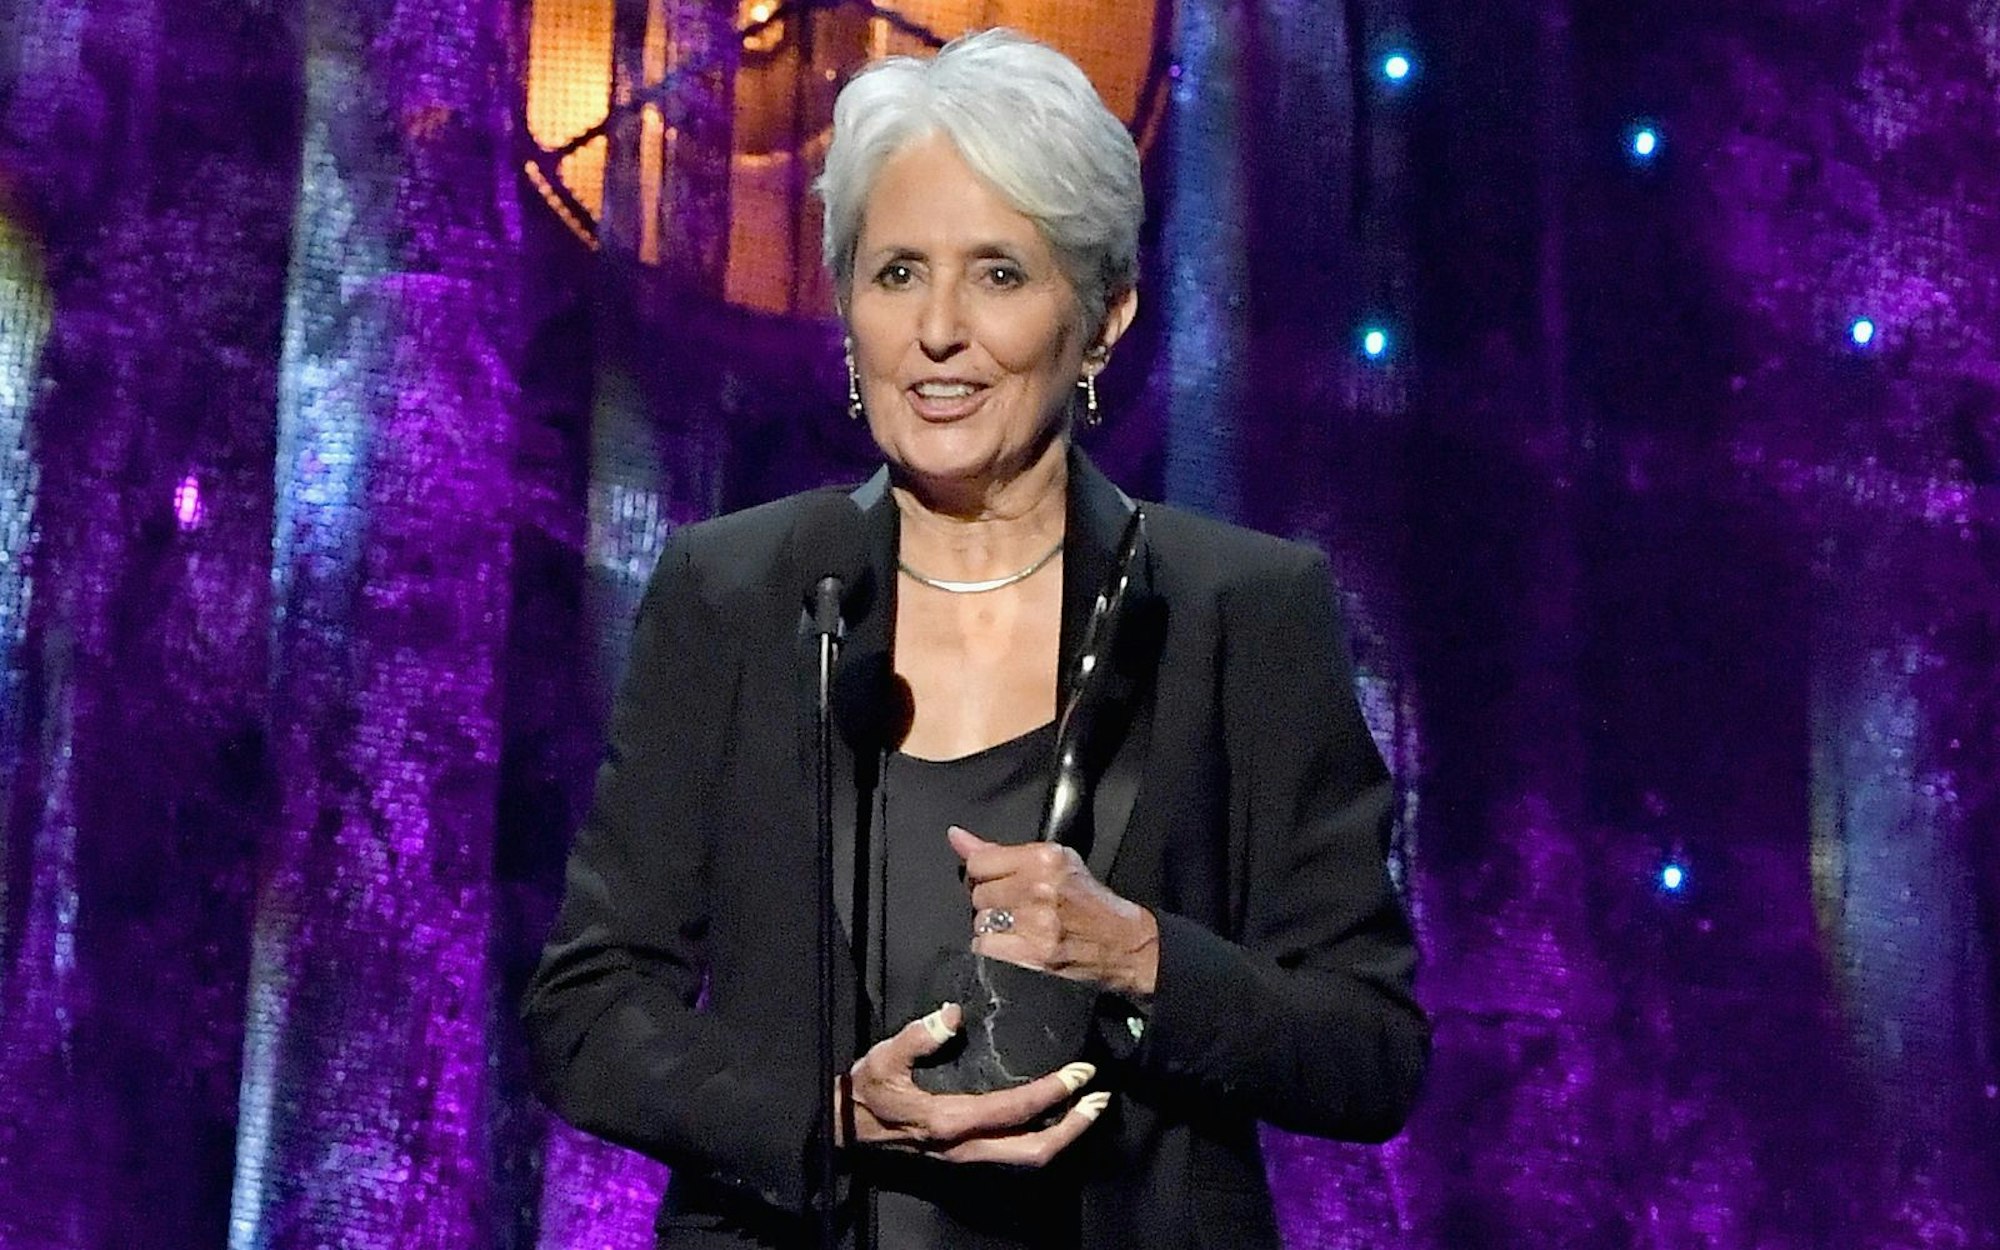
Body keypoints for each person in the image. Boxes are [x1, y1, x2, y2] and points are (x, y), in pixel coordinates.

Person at [523, 28, 1428, 1250]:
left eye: (998, 272)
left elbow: (1368, 1050)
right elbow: (588, 1005)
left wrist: (1146, 954)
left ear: (1102, 316)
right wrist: (825, 1116)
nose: (937, 329)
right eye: (896, 272)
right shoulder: (733, 592)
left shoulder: (1240, 609)